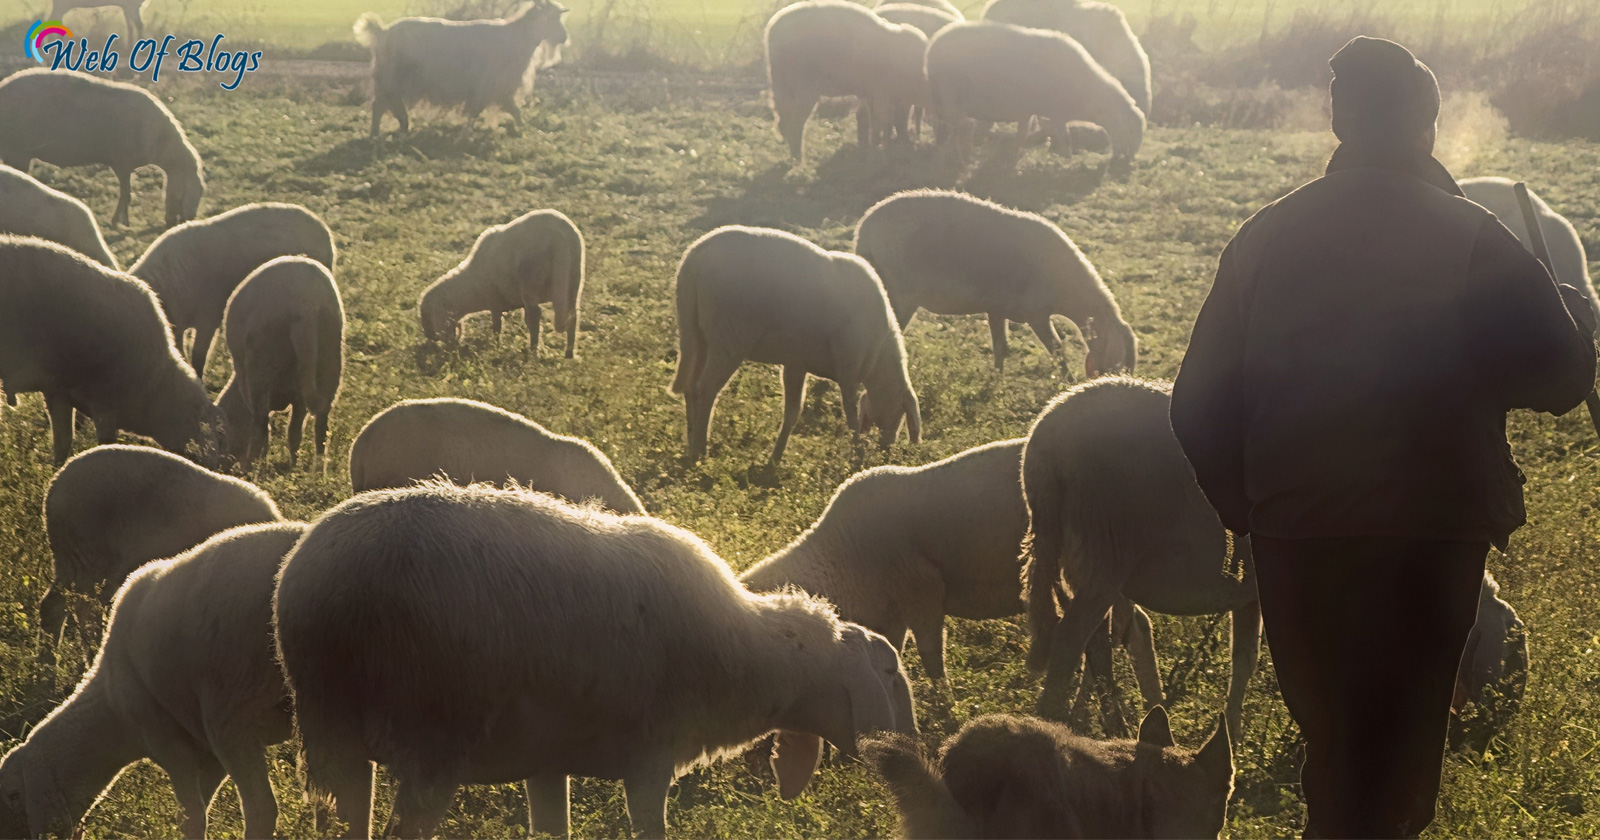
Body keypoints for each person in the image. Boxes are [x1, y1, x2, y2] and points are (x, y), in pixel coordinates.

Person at [1169, 36, 1596, 839]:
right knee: (1394, 768)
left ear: (1342, 123)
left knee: (1335, 750)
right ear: (1426, 128)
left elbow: (1194, 405)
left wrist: (1246, 509)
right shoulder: (1470, 237)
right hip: (1425, 540)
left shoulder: (1263, 236)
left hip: (1297, 537)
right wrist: (1576, 320)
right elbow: (1562, 382)